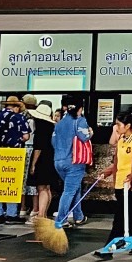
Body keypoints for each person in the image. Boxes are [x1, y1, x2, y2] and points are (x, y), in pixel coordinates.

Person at [96, 108, 132, 259]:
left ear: (127, 126)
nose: (116, 127)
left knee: (119, 218)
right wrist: (105, 173)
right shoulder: (120, 141)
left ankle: (108, 250)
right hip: (119, 184)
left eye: (118, 125)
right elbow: (116, 164)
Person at [0, 96, 32, 224]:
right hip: (14, 154)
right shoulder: (20, 118)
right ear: (16, 107)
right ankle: (11, 214)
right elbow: (26, 136)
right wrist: (16, 140)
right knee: (12, 182)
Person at [52, 94, 93, 229]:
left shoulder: (59, 123)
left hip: (58, 161)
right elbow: (84, 137)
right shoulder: (80, 120)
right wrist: (91, 132)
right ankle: (61, 220)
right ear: (80, 108)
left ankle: (79, 216)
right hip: (74, 161)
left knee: (75, 187)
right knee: (69, 190)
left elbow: (53, 142)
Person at [27, 100, 58, 225]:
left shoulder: (40, 129)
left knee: (41, 188)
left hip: (42, 160)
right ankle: (43, 214)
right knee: (47, 188)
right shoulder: (52, 127)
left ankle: (40, 215)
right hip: (51, 158)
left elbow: (38, 148)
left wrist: (33, 164)